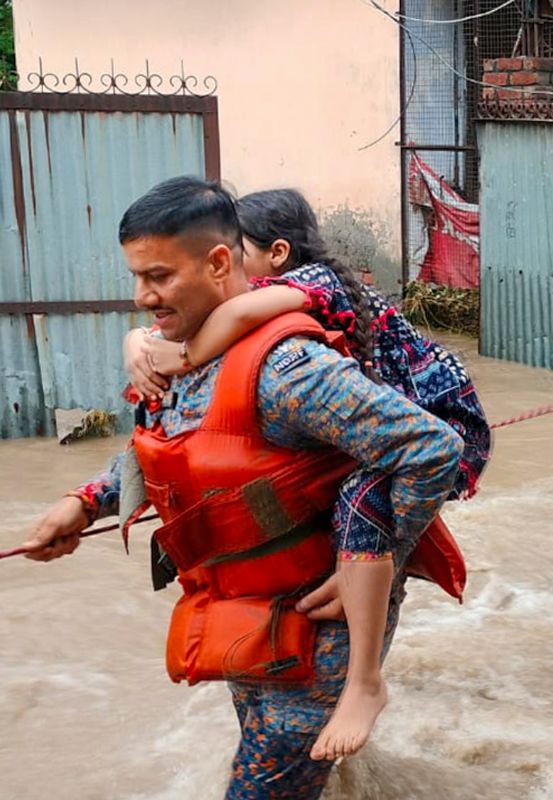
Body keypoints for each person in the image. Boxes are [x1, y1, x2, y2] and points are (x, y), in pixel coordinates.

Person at [21, 176, 465, 799]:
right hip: (247, 620)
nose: (142, 297)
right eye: (137, 277)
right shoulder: (180, 355)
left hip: (318, 633)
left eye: (158, 277)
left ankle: (363, 687)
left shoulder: (289, 370)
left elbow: (431, 448)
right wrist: (85, 502)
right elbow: (172, 448)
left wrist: (382, 555)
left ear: (218, 263)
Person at [122, 187, 490, 763]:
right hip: (384, 427)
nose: (232, 269)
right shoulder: (275, 302)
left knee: (360, 504)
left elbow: (237, 313)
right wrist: (139, 344)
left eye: (238, 253)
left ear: (275, 255)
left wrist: (182, 354)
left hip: (444, 424)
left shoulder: (309, 286)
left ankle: (364, 681)